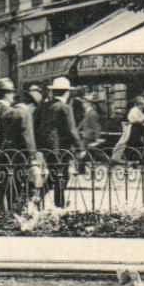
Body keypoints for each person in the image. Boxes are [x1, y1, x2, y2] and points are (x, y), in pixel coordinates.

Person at [36, 77, 84, 209]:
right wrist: (80, 147)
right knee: (61, 176)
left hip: (47, 146)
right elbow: (72, 129)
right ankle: (58, 204)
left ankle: (39, 198)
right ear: (67, 93)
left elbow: (36, 125)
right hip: (61, 148)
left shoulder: (44, 106)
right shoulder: (65, 107)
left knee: (55, 174)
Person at [0, 80, 37, 214]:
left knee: (8, 187)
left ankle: (8, 211)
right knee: (24, 185)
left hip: (6, 154)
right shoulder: (20, 113)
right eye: (11, 93)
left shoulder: (6, 111)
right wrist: (32, 155)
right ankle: (18, 212)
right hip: (18, 156)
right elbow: (26, 136)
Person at [76, 91, 105, 165]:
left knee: (84, 153)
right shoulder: (87, 112)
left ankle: (81, 169)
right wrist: (77, 129)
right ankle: (82, 169)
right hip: (87, 135)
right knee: (88, 153)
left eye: (84, 103)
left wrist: (97, 138)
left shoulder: (92, 113)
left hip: (90, 136)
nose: (83, 104)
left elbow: (96, 126)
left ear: (89, 103)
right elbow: (82, 123)